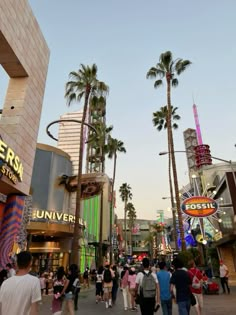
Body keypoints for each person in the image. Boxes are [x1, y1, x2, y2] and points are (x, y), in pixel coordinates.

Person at [0, 251, 41, 315]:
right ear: (30, 263)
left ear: (16, 263)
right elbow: (34, 311)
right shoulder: (34, 282)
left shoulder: (5, 283)